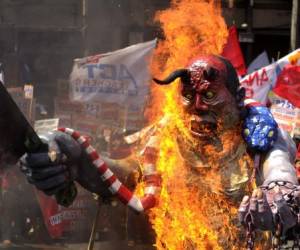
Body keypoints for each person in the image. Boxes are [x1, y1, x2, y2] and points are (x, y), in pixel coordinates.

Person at [20, 55, 299, 249]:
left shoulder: (261, 135)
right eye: (189, 96)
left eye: (211, 96)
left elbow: (281, 173)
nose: (197, 106)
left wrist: (277, 197)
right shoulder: (166, 138)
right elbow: (127, 175)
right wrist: (78, 157)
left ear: (237, 99)